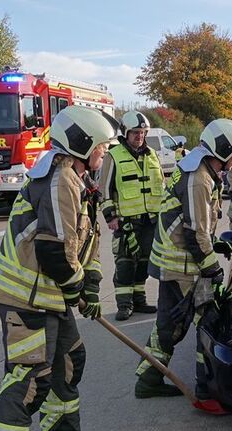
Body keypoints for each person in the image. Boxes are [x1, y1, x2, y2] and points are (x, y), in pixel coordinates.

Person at [0, 105, 118, 431]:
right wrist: (76, 289)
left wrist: (89, 284)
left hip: (49, 295)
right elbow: (56, 250)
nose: (104, 154)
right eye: (102, 147)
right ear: (83, 143)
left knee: (70, 359)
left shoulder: (77, 180)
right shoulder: (60, 179)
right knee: (30, 377)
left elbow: (81, 243)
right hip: (26, 297)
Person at [135, 119, 232, 399]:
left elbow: (198, 228)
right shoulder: (198, 178)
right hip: (183, 267)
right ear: (222, 150)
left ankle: (151, 379)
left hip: (181, 264)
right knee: (197, 323)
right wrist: (213, 269)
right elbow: (195, 233)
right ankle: (205, 387)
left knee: (174, 323)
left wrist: (215, 245)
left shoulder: (201, 170)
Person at [99, 111, 165, 320]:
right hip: (126, 222)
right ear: (126, 133)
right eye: (135, 132)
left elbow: (161, 184)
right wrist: (111, 216)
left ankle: (139, 300)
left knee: (145, 263)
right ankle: (124, 305)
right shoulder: (113, 155)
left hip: (150, 221)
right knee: (125, 264)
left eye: (143, 132)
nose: (140, 136)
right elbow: (104, 189)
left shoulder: (152, 154)